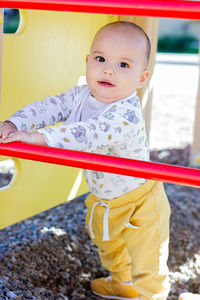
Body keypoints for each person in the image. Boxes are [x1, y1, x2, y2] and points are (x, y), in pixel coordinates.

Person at [0, 21, 171, 300]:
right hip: (104, 197)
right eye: (101, 59)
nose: (108, 69)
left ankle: (153, 295)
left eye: (124, 65)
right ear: (88, 61)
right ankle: (121, 284)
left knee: (147, 258)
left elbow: (86, 135)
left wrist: (37, 137)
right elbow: (49, 107)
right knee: (110, 247)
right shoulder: (81, 95)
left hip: (140, 199)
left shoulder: (125, 113)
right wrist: (14, 122)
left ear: (142, 78)